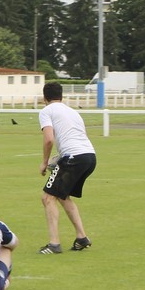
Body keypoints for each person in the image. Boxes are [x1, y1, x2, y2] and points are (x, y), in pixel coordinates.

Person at [37, 81, 96, 254]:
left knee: (48, 197)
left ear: (45, 97)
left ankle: (54, 244)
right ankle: (81, 237)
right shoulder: (73, 112)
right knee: (62, 196)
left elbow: (49, 139)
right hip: (89, 156)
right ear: (61, 96)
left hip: (73, 157)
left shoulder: (46, 111)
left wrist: (45, 162)